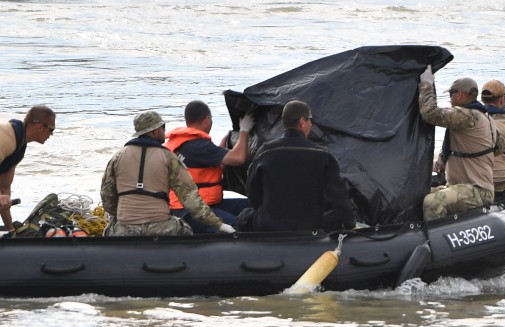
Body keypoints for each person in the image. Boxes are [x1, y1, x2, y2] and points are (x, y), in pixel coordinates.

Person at [101, 111, 235, 236]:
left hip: (124, 229)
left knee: (108, 230)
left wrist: (120, 216)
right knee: (187, 230)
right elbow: (191, 199)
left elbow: (107, 196)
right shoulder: (168, 157)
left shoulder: (117, 157)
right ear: (154, 131)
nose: (164, 131)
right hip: (160, 227)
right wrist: (218, 224)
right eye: (162, 127)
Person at [239, 100, 355, 232]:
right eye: (310, 119)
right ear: (302, 122)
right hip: (311, 226)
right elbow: (338, 197)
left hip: (269, 224)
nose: (311, 123)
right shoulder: (323, 155)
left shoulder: (265, 151)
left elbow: (252, 193)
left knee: (243, 216)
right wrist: (350, 224)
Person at [418, 69, 503, 221]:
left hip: (476, 191)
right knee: (422, 194)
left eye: (451, 95)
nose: (450, 100)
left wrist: (426, 85)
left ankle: (434, 241)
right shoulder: (487, 118)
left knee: (432, 202)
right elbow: (499, 148)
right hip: (473, 188)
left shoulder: (467, 115)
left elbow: (430, 113)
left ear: (460, 95)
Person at [165, 100, 256, 233]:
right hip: (191, 210)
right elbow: (239, 158)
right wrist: (244, 130)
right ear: (207, 120)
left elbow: (206, 164)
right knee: (239, 224)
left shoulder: (180, 143)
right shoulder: (199, 145)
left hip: (194, 204)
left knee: (252, 205)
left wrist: (223, 147)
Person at [1, 105, 57, 232]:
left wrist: (11, 231)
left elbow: (4, 190)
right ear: (40, 127)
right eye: (51, 129)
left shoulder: (19, 147)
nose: (52, 134)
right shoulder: (5, 137)